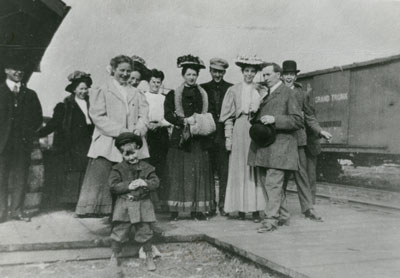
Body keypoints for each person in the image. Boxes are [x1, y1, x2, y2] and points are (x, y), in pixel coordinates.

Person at [75, 55, 149, 217]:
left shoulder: (136, 92)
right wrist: (120, 131)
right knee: (106, 179)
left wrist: (139, 128)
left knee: (130, 179)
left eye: (128, 71)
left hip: (132, 142)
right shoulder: (103, 89)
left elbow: (144, 115)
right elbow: (97, 116)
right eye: (121, 70)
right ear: (113, 69)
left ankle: (127, 214)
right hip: (109, 141)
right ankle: (104, 213)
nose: (125, 74)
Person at [248, 63, 304, 232]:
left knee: (273, 185)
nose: (264, 78)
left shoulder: (289, 93)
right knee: (271, 186)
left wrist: (275, 120)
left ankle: (270, 220)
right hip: (266, 147)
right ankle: (284, 216)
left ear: (278, 75)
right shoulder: (266, 94)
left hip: (280, 149)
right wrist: (254, 111)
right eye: (263, 75)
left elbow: (298, 121)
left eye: (268, 75)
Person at [163, 54, 216, 221]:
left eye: (194, 75)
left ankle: (197, 210)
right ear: (183, 75)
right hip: (181, 140)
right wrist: (183, 120)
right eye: (189, 74)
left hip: (199, 140)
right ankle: (175, 210)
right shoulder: (174, 94)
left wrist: (200, 121)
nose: (192, 77)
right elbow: (168, 114)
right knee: (179, 173)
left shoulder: (203, 94)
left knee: (198, 173)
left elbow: (210, 113)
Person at [281, 60, 331, 220]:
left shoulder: (302, 94)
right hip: (282, 140)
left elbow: (310, 117)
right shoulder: (277, 91)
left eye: (292, 74)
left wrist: (320, 130)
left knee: (302, 175)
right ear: (281, 76)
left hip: (299, 141)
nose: (289, 77)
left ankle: (308, 208)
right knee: (281, 177)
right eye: (286, 74)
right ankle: (279, 210)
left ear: (296, 76)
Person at [219, 55, 267, 222]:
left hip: (255, 128)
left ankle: (255, 209)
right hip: (240, 128)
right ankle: (239, 208)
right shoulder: (233, 90)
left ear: (255, 73)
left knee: (254, 167)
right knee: (239, 167)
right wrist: (228, 137)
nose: (249, 74)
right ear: (242, 72)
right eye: (246, 71)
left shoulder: (261, 90)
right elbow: (227, 116)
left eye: (252, 71)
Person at [38, 71, 94, 208]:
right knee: (72, 170)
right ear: (74, 89)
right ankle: (70, 202)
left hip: (87, 141)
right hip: (71, 143)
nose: (84, 91)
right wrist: (38, 133)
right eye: (81, 88)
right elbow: (54, 123)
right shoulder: (64, 106)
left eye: (86, 88)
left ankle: (84, 201)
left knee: (85, 171)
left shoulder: (92, 104)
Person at [109, 132, 159, 272]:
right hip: (125, 205)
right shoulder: (117, 169)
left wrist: (145, 182)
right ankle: (115, 256)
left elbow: (156, 182)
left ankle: (149, 256)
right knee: (119, 231)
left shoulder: (147, 167)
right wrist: (127, 186)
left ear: (138, 149)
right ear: (122, 154)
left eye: (134, 153)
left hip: (143, 205)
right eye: (127, 154)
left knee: (145, 231)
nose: (131, 157)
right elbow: (113, 186)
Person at [0, 60, 43, 223]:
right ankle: (1, 212)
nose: (19, 72)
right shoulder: (0, 91)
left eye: (21, 69)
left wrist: (28, 134)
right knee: (0, 178)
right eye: (14, 68)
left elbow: (38, 118)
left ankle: (16, 211)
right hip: (2, 144)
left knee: (21, 177)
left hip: (22, 144)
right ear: (6, 69)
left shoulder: (30, 94)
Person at [201, 58, 233, 216]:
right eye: (215, 71)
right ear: (210, 71)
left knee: (224, 172)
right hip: (207, 136)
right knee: (208, 173)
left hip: (224, 135)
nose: (217, 74)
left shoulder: (231, 88)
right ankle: (210, 206)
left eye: (220, 72)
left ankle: (223, 205)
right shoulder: (203, 88)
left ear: (224, 72)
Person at [145, 69, 171, 202]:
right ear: (148, 82)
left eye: (158, 82)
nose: (155, 85)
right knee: (147, 163)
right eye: (153, 82)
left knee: (160, 165)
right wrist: (146, 124)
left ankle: (161, 200)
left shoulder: (164, 98)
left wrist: (160, 124)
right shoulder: (143, 96)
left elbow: (169, 117)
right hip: (146, 131)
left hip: (160, 133)